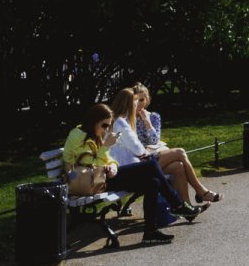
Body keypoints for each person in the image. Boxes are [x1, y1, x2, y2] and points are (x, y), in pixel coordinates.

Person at [63, 103, 202, 244]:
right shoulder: (77, 137)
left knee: (153, 182)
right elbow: (89, 164)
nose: (105, 130)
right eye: (104, 125)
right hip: (89, 183)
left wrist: (113, 166)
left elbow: (107, 159)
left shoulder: (96, 134)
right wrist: (106, 147)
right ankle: (177, 205)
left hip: (103, 178)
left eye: (108, 126)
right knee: (151, 165)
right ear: (94, 121)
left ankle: (150, 232)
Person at [112, 89, 221, 204]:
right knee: (180, 152)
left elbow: (153, 140)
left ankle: (187, 206)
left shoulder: (150, 116)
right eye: (136, 100)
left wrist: (147, 121)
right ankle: (201, 191)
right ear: (128, 103)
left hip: (142, 158)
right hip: (138, 164)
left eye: (141, 100)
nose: (138, 103)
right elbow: (137, 149)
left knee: (178, 166)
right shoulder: (122, 122)